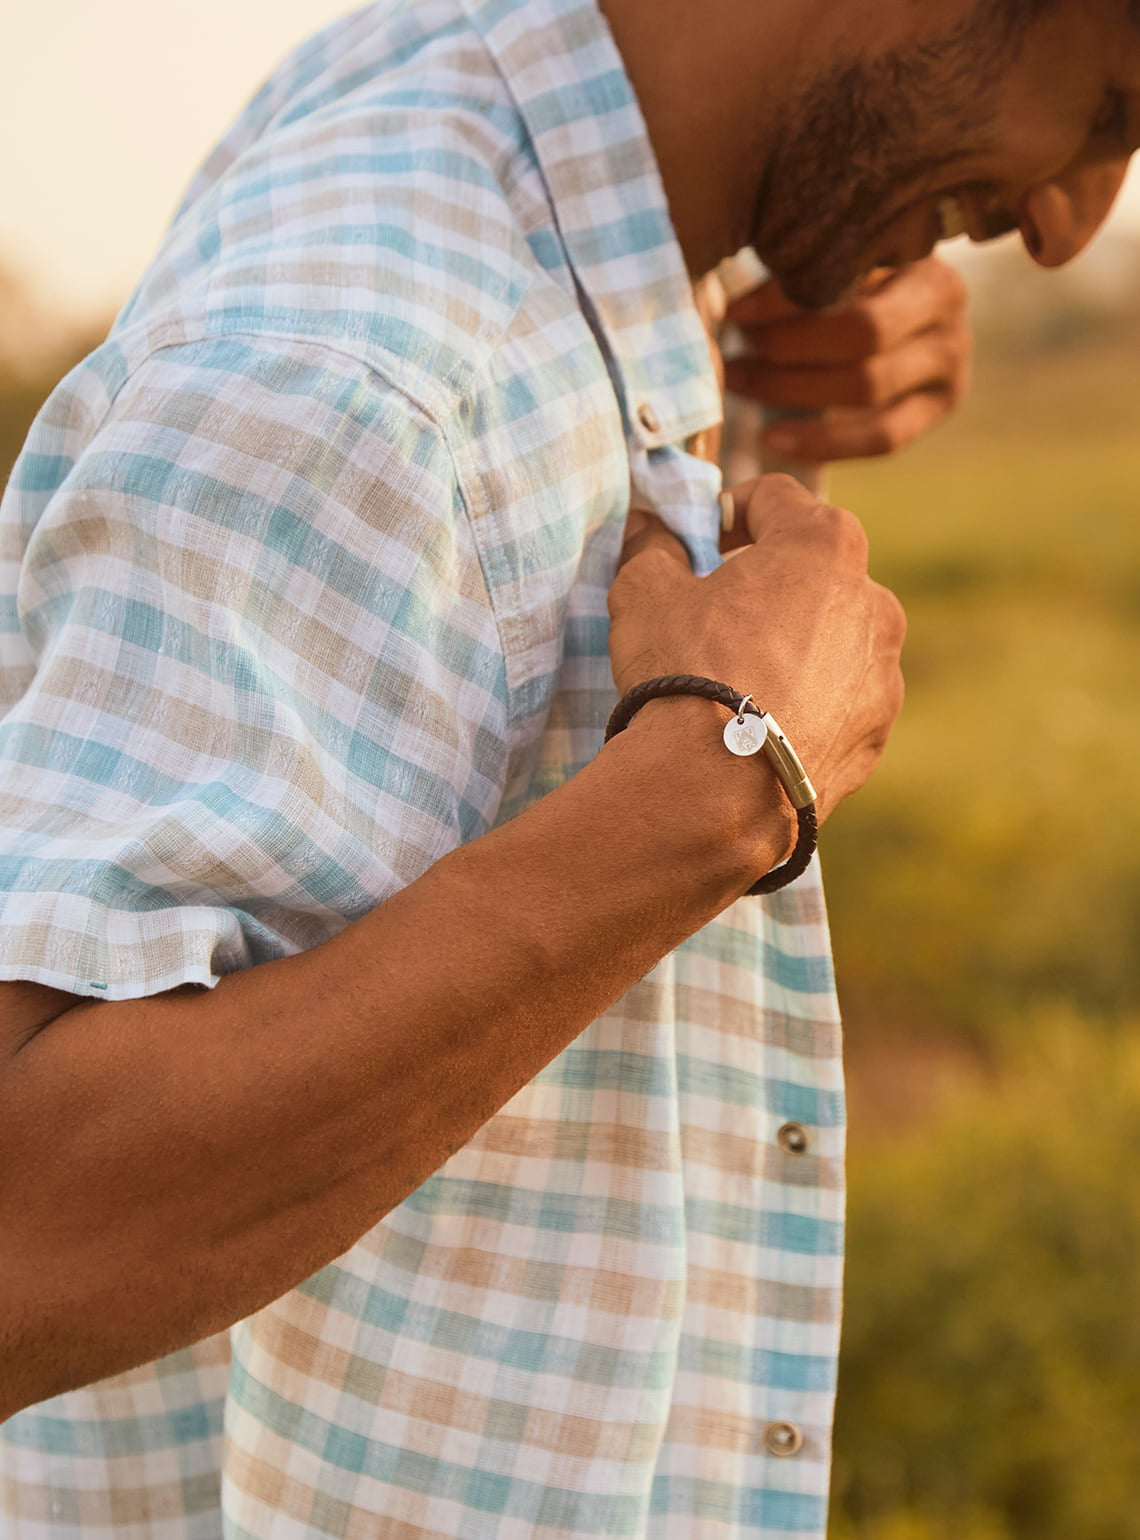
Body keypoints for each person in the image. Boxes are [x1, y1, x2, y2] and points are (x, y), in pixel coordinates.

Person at [0, 0, 1133, 1534]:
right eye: (1109, 110)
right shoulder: (360, 364)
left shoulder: (460, 93)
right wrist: (711, 795)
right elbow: (26, 1227)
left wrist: (730, 380)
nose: (1071, 226)